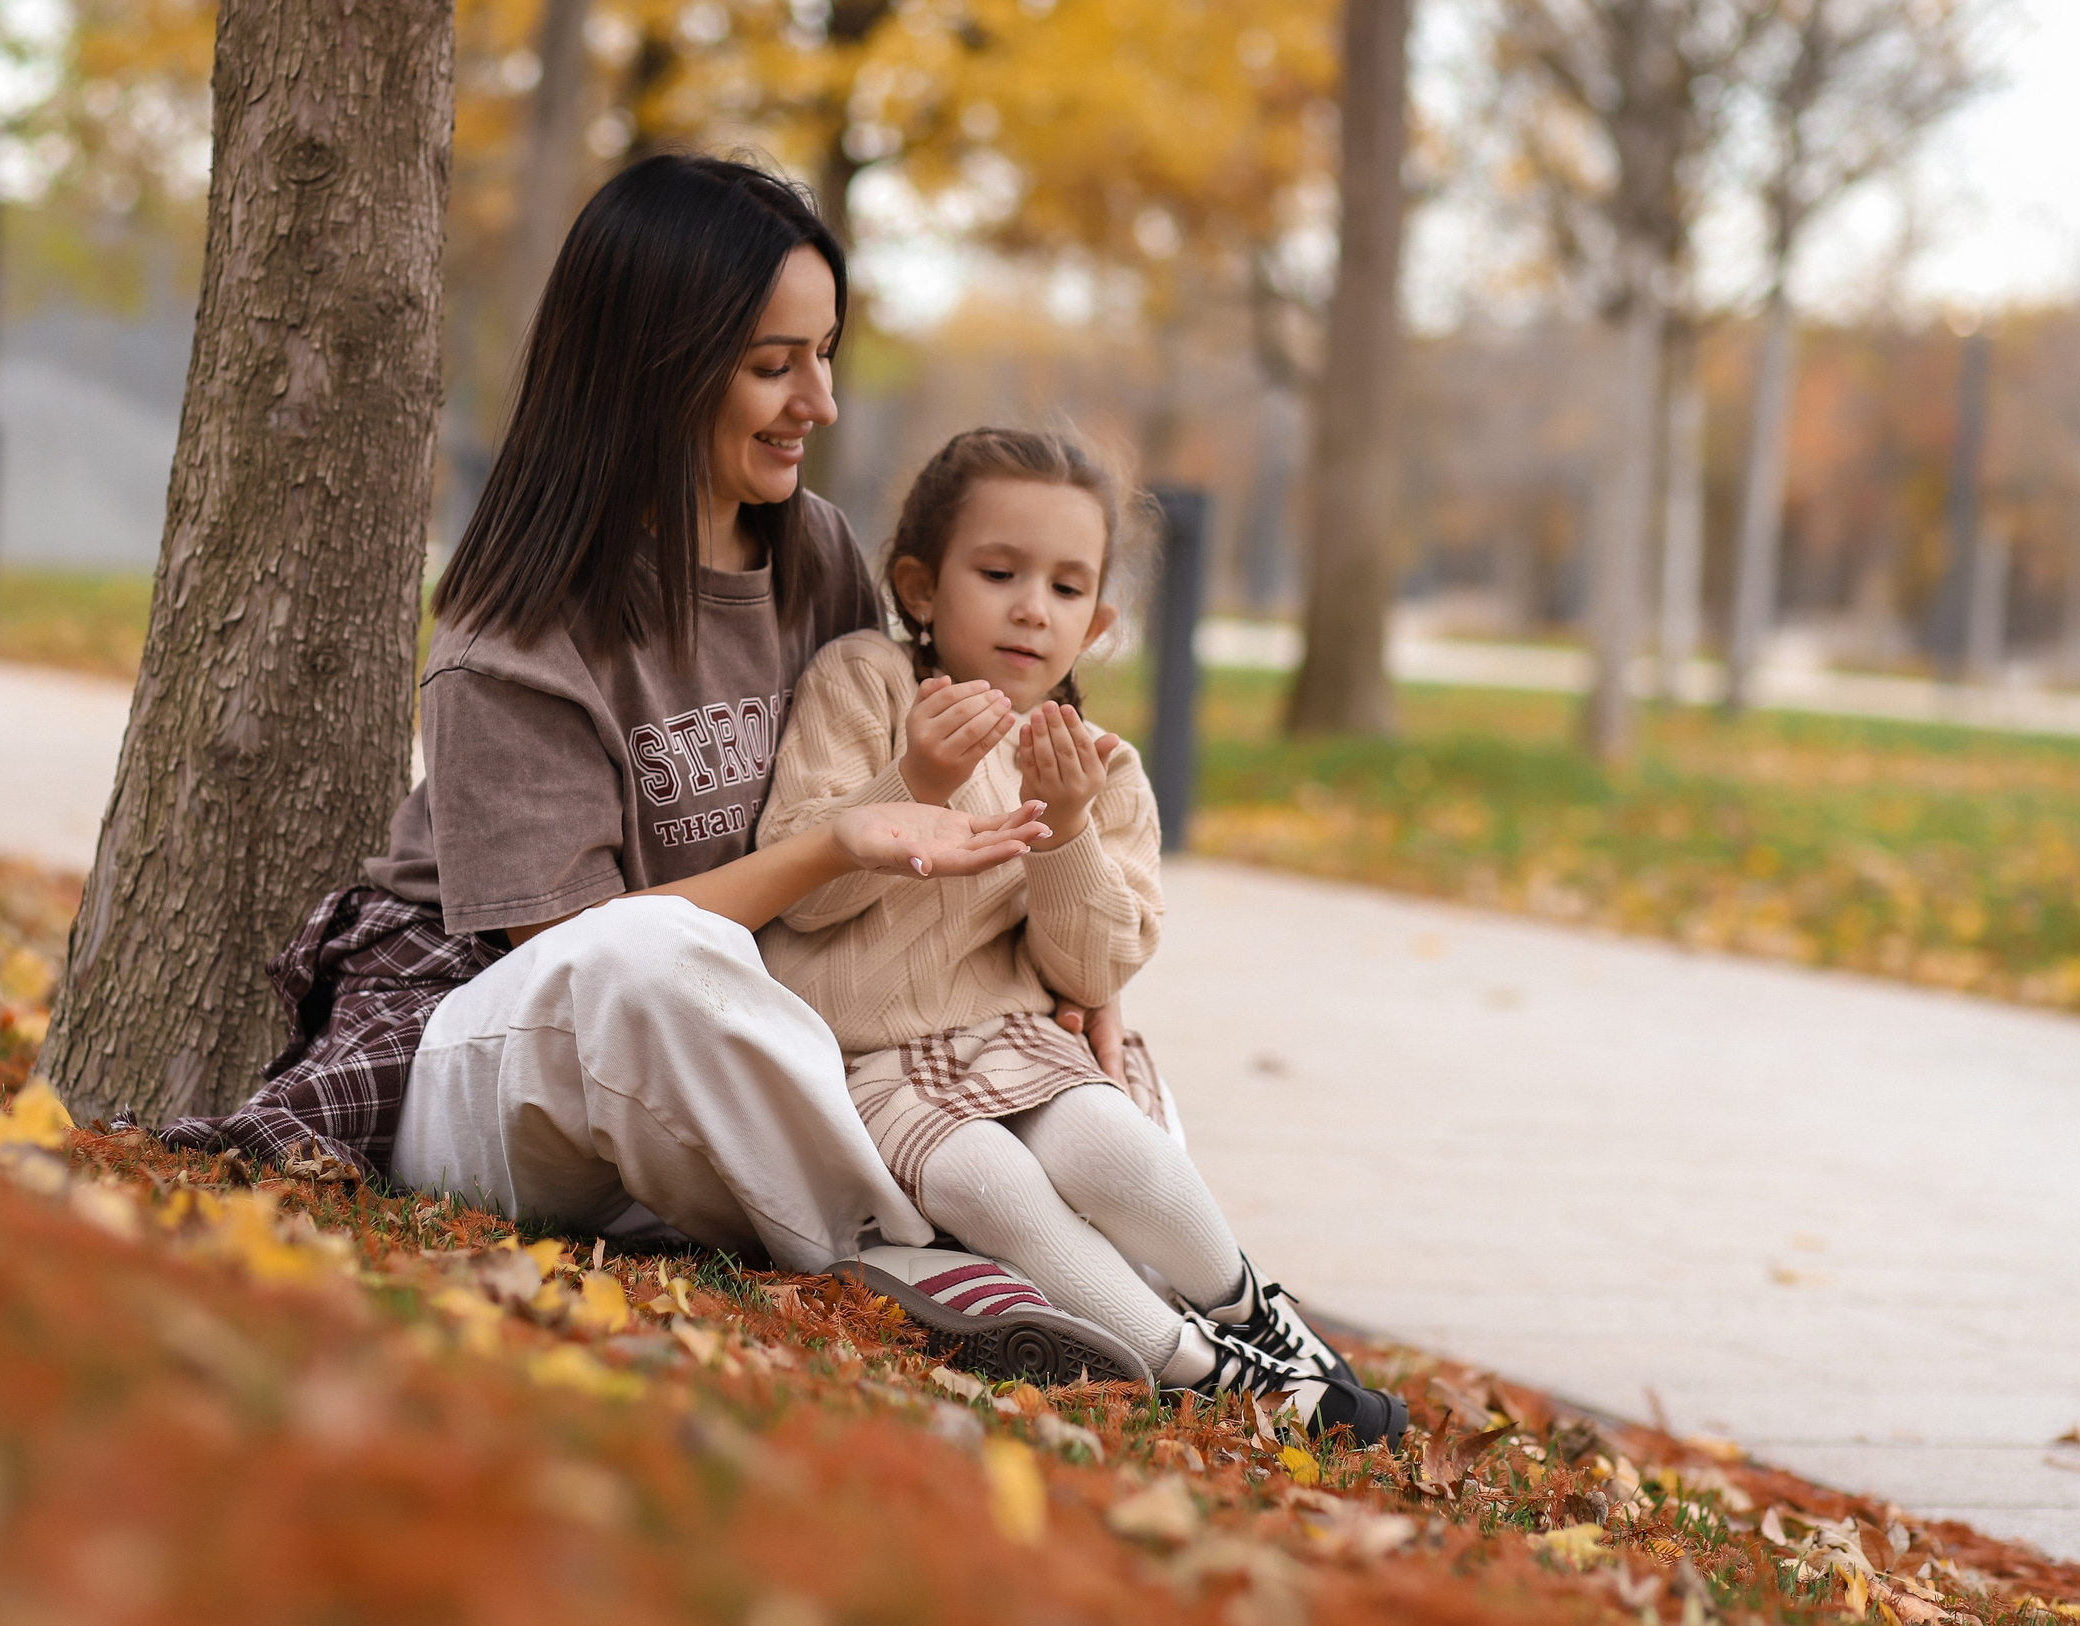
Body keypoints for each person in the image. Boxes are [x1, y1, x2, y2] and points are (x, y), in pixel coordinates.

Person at [160, 153, 1060, 1275]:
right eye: (773, 366)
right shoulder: (515, 636)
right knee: (647, 956)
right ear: (659, 369)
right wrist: (830, 844)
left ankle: (1196, 1313)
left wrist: (1076, 980)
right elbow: (582, 959)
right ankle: (906, 1257)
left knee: (1054, 1055)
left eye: (823, 356)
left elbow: (917, 821)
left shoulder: (812, 552)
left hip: (733, 1054)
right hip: (510, 1054)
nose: (817, 404)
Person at [757, 428, 1408, 1443]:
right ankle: (1204, 1374)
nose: (1031, 607)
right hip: (867, 1055)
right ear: (921, 587)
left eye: (1066, 588)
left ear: (1098, 621)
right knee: (989, 1178)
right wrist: (914, 783)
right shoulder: (867, 685)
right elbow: (800, 891)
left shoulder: (1097, 766)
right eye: (999, 572)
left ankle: (1255, 1314)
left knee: (1112, 1146)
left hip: (1017, 1042)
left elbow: (1092, 967)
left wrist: (1063, 830)